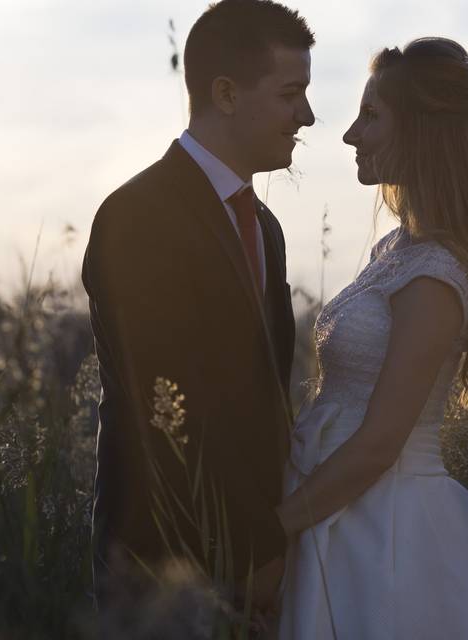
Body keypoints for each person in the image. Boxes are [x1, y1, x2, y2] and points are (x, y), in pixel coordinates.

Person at [274, 37, 468, 638]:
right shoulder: (397, 252)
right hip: (337, 509)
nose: (350, 134)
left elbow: (379, 444)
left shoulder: (434, 277)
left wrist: (270, 534)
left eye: (371, 116)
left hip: (389, 529)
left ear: (422, 132)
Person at [81, 0, 314, 613]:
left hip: (260, 563)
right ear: (228, 94)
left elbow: (263, 396)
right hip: (163, 567)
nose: (307, 115)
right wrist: (252, 552)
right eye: (293, 93)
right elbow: (168, 407)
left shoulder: (264, 226)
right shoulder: (137, 216)